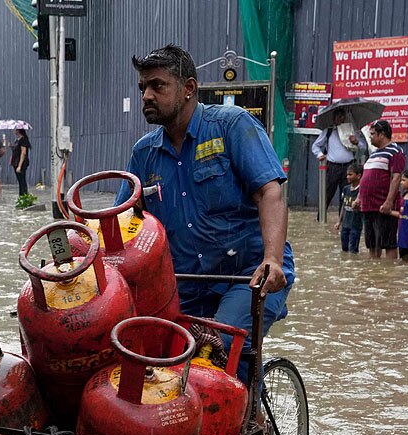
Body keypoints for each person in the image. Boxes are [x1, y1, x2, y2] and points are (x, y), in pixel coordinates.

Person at [115, 44, 293, 385]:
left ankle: (255, 432)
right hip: (186, 286)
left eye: (157, 86)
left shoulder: (232, 126)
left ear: (189, 89)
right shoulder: (144, 154)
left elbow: (269, 192)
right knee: (155, 361)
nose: (146, 96)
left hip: (249, 276)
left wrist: (271, 259)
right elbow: (123, 223)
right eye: (142, 88)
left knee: (218, 354)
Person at [358, 119, 404, 260]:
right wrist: (359, 199)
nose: (370, 137)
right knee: (372, 245)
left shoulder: (396, 151)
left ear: (381, 134)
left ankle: (388, 277)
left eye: (372, 134)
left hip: (383, 207)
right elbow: (365, 179)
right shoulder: (374, 154)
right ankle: (375, 275)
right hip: (368, 207)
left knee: (388, 244)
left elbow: (396, 178)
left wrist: (389, 202)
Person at [312, 109, 367, 217]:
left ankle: (343, 221)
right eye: (338, 116)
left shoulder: (352, 131)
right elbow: (315, 146)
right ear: (334, 118)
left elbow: (363, 147)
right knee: (327, 194)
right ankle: (321, 218)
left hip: (349, 167)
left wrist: (357, 142)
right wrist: (319, 155)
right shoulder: (329, 131)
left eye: (343, 116)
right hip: (332, 167)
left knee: (347, 195)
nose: (341, 119)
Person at [333, 163, 362, 254]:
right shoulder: (345, 189)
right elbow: (343, 207)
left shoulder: (361, 190)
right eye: (347, 175)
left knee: (353, 250)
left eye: (350, 174)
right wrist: (339, 222)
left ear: (358, 176)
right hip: (345, 225)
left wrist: (358, 206)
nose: (348, 177)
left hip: (356, 225)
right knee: (344, 249)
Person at [11, 128, 31, 197]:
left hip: (21, 162)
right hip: (15, 161)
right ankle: (21, 195)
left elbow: (23, 152)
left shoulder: (23, 140)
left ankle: (24, 195)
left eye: (16, 130)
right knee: (19, 180)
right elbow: (16, 150)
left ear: (19, 131)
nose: (14, 131)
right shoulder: (17, 140)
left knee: (22, 180)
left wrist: (20, 165)